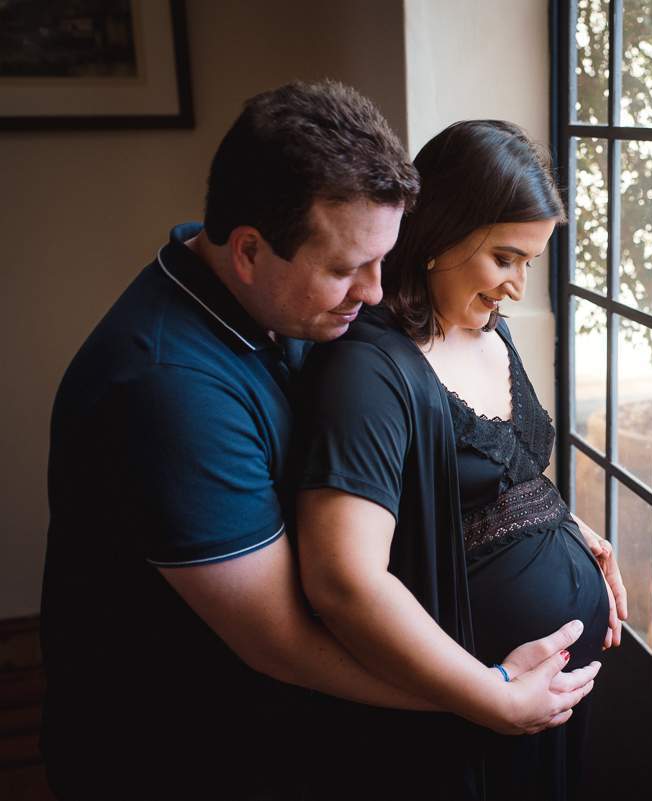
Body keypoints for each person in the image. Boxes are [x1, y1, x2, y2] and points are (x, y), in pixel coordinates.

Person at [40, 82, 598, 801]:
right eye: (344, 269)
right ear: (247, 249)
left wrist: (557, 521)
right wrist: (486, 692)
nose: (372, 293)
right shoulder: (167, 391)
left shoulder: (265, 287)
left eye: (383, 258)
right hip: (168, 747)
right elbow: (282, 638)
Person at [289, 119, 629, 800]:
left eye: (529, 262)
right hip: (464, 715)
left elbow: (505, 472)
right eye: (504, 258)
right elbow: (343, 580)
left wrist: (569, 527)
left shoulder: (487, 330)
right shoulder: (369, 373)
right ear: (441, 232)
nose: (517, 287)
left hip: (541, 700)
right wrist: (494, 694)